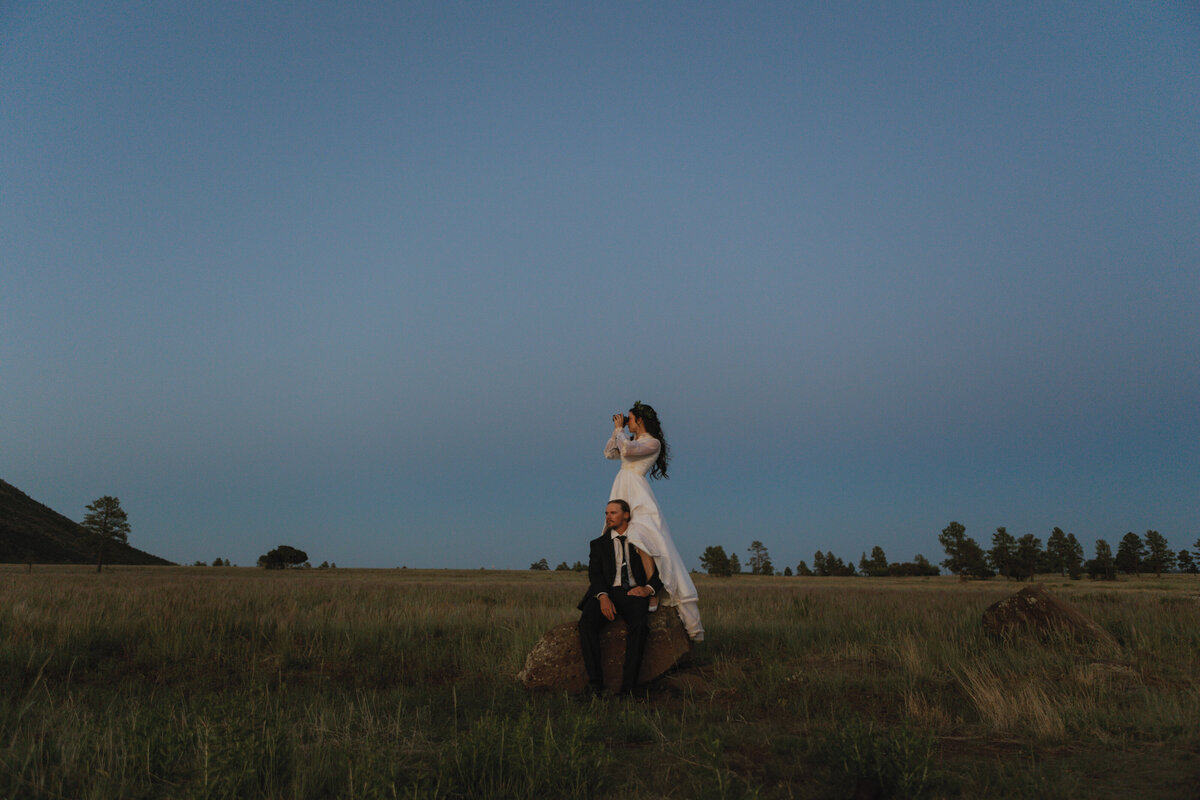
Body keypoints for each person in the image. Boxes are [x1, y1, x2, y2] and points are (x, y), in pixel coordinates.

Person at [605, 402, 704, 641]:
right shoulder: (626, 438)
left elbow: (627, 452)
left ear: (640, 420)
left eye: (629, 419)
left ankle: (652, 590)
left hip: (638, 492)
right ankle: (625, 586)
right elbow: (610, 453)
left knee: (642, 537)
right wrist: (615, 432)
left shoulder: (652, 443)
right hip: (621, 489)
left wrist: (620, 433)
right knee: (621, 539)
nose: (626, 422)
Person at [578, 499, 664, 695]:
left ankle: (629, 687)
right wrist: (602, 596)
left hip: (633, 592)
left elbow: (662, 570)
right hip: (607, 592)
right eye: (606, 513)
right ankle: (595, 685)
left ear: (626, 515)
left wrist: (648, 589)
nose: (608, 517)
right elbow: (595, 575)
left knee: (640, 627)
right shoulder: (598, 544)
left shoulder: (641, 540)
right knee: (586, 624)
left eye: (613, 513)